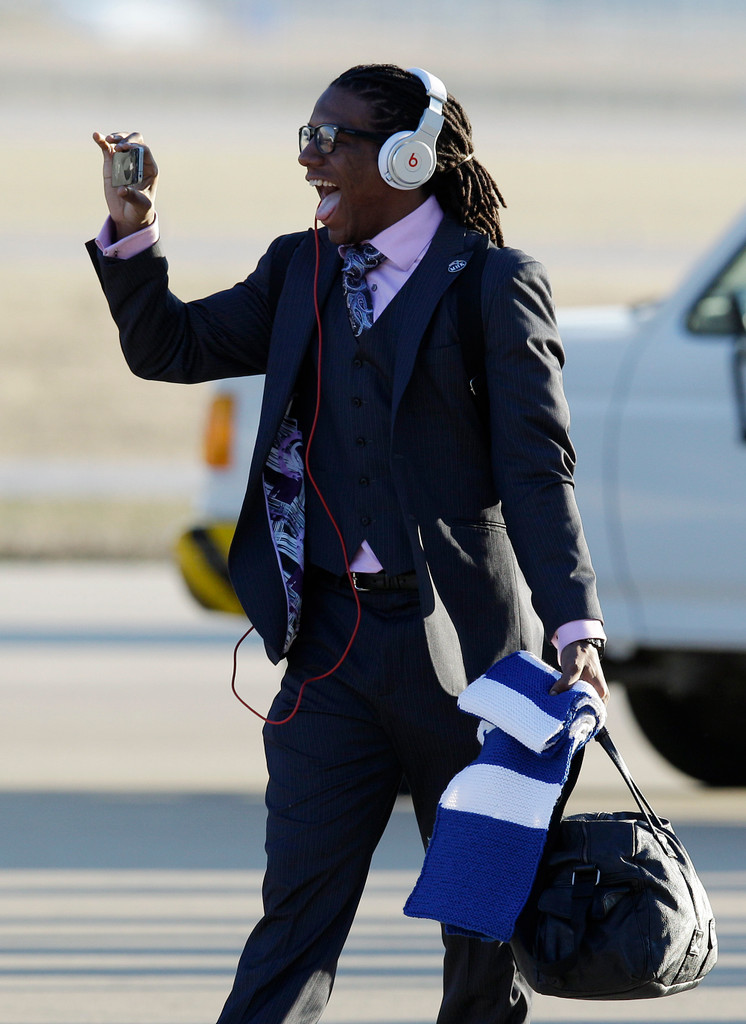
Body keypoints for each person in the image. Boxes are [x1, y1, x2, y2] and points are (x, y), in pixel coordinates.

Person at [89, 63, 608, 1024]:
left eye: (331, 139)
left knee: (479, 949)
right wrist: (131, 228)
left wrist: (575, 627)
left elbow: (540, 475)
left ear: (407, 157)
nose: (307, 156)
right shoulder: (299, 267)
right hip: (329, 654)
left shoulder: (494, 284)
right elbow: (171, 349)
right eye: (306, 133)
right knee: (292, 925)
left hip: (473, 668)